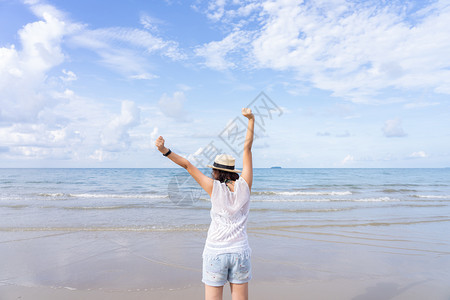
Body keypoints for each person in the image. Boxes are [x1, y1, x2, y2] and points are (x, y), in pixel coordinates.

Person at [155, 108, 255, 300]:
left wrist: (164, 150)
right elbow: (247, 148)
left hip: (215, 251)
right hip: (239, 251)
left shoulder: (213, 187)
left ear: (215, 172)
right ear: (233, 171)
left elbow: (187, 165)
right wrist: (251, 119)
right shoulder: (245, 185)